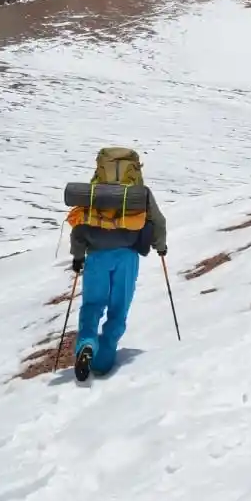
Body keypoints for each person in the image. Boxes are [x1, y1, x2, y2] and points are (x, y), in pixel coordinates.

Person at [69, 148, 167, 381]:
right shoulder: (138, 192)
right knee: (118, 308)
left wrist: (77, 256)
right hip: (127, 255)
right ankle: (102, 363)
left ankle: (87, 343)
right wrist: (160, 246)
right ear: (134, 168)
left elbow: (79, 225)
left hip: (96, 255)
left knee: (92, 305)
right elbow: (158, 221)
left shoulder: (93, 191)